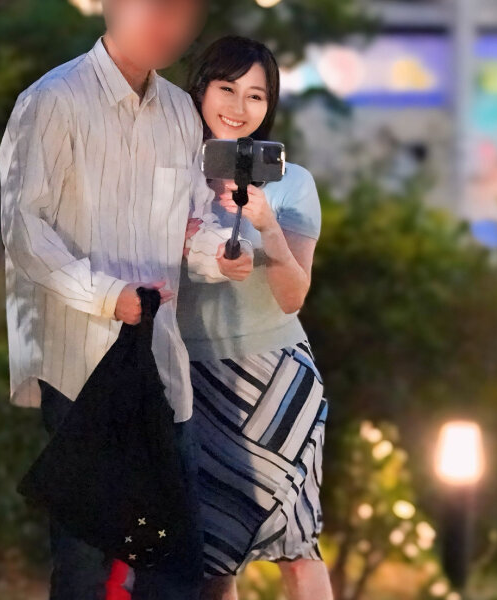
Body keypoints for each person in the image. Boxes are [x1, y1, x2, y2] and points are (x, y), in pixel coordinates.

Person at [0, 2, 254, 598]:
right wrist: (109, 296)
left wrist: (218, 255)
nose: (169, 23)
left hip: (161, 361)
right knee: (85, 560)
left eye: (183, 11)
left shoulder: (180, 113)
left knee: (175, 559)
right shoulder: (53, 100)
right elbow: (24, 229)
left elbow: (190, 223)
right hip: (81, 363)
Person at [176, 36, 334, 600]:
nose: (239, 107)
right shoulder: (167, 175)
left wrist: (267, 225)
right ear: (200, 89)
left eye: (256, 95)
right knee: (213, 557)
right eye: (227, 88)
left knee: (298, 545)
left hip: (278, 377)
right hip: (194, 375)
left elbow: (293, 296)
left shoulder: (293, 182)